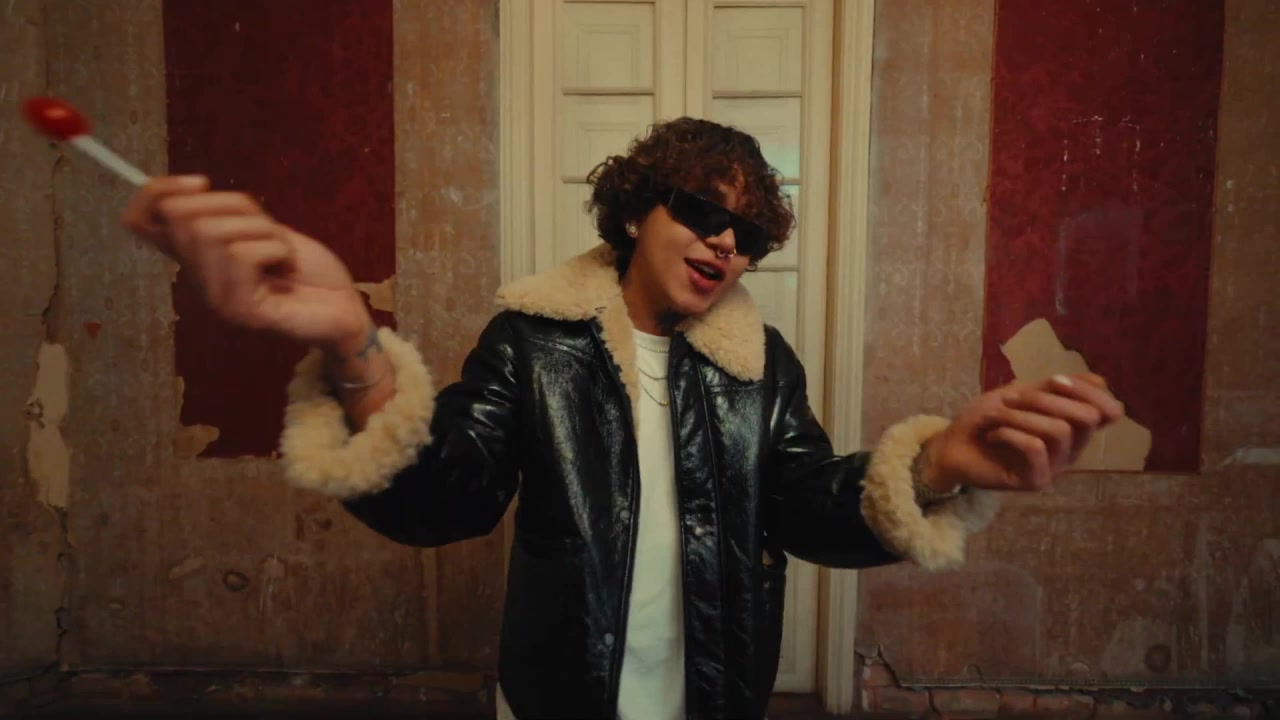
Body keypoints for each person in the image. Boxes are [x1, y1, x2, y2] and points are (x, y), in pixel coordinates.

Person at [121, 117, 1122, 720]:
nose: (723, 243)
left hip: (714, 696)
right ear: (639, 210)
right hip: (560, 697)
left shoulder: (760, 364)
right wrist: (353, 347)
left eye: (747, 233)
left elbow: (804, 507)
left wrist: (937, 464)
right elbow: (446, 498)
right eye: (702, 212)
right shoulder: (532, 342)